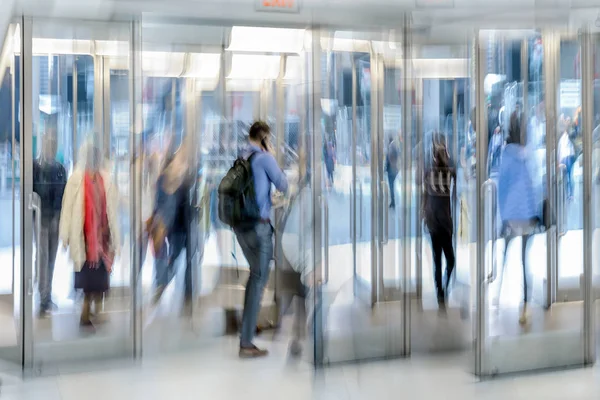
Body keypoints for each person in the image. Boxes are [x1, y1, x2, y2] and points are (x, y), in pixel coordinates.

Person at [235, 120, 288, 358]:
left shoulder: (242, 155)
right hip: (258, 226)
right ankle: (246, 342)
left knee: (254, 277)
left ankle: (248, 326)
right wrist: (273, 155)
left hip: (241, 226)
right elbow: (283, 184)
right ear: (265, 137)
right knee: (259, 279)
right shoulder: (264, 158)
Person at [59, 140, 120, 327]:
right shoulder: (76, 179)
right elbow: (67, 208)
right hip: (84, 238)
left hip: (102, 238)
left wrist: (115, 237)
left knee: (101, 276)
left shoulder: (106, 179)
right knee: (87, 277)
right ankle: (86, 312)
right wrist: (65, 235)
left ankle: (95, 308)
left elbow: (112, 209)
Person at [147, 135, 195, 312]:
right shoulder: (168, 175)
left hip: (183, 223)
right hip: (172, 224)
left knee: (180, 259)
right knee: (169, 257)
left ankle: (177, 291)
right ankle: (162, 284)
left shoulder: (188, 173)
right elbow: (161, 198)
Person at [497, 111, 537, 325]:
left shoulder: (507, 155)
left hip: (512, 215)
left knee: (504, 255)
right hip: (527, 215)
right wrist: (534, 213)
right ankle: (525, 306)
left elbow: (502, 187)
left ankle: (498, 294)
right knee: (524, 262)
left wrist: (502, 216)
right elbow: (532, 186)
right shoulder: (526, 155)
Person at [33, 133, 67, 317]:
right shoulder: (34, 167)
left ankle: (48, 294)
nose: (50, 148)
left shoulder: (61, 169)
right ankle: (43, 297)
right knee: (43, 255)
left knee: (51, 257)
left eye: (53, 144)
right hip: (40, 218)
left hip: (55, 217)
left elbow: (64, 194)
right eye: (48, 144)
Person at [422, 134, 456, 310]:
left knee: (445, 261)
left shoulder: (447, 171)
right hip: (438, 223)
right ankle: (440, 292)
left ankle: (441, 289)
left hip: (440, 223)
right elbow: (425, 195)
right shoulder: (434, 171)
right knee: (443, 260)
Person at [557, 119, 575, 201]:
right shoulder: (563, 138)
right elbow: (560, 151)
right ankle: (569, 194)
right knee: (568, 176)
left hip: (568, 157)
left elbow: (560, 151)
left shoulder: (568, 136)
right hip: (567, 157)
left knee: (569, 176)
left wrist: (559, 161)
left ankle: (570, 194)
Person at [385, 136, 400, 208]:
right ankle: (393, 201)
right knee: (392, 187)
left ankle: (393, 202)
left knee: (392, 187)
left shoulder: (391, 147)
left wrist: (387, 167)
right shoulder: (395, 147)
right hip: (393, 170)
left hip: (391, 171)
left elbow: (389, 158)